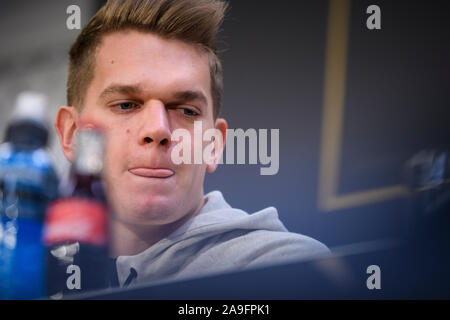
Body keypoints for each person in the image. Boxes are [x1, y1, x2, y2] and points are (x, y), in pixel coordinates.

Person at [55, 0, 329, 288]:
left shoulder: (287, 269)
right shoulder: (22, 273)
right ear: (72, 134)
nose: (158, 129)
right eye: (125, 105)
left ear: (214, 145)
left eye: (186, 110)